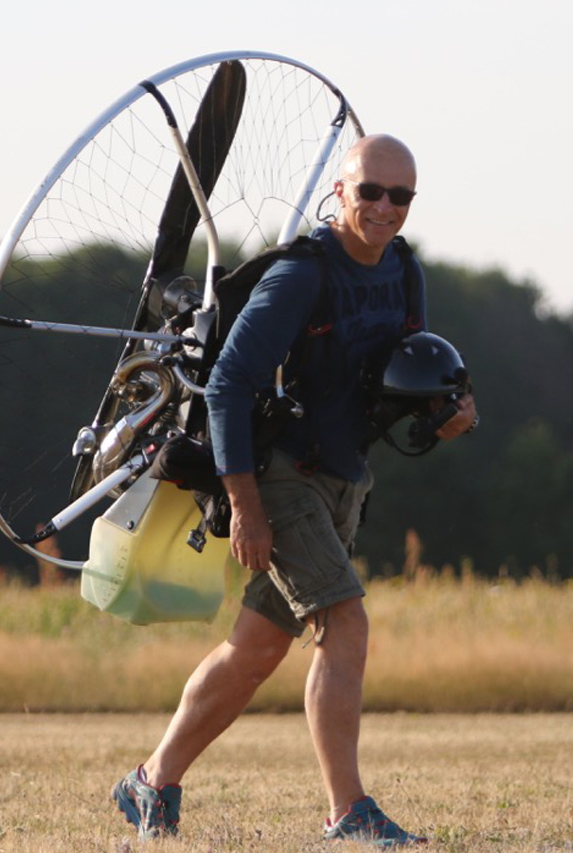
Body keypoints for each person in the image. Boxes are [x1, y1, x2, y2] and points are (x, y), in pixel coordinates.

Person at [112, 134, 477, 844]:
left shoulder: (402, 271)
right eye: (369, 191)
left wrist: (454, 413)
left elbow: (405, 371)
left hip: (344, 477)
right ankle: (349, 812)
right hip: (281, 473)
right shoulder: (301, 277)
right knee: (345, 623)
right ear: (340, 192)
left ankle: (150, 781)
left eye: (399, 196)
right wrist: (246, 505)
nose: (383, 207)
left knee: (255, 648)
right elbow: (227, 386)